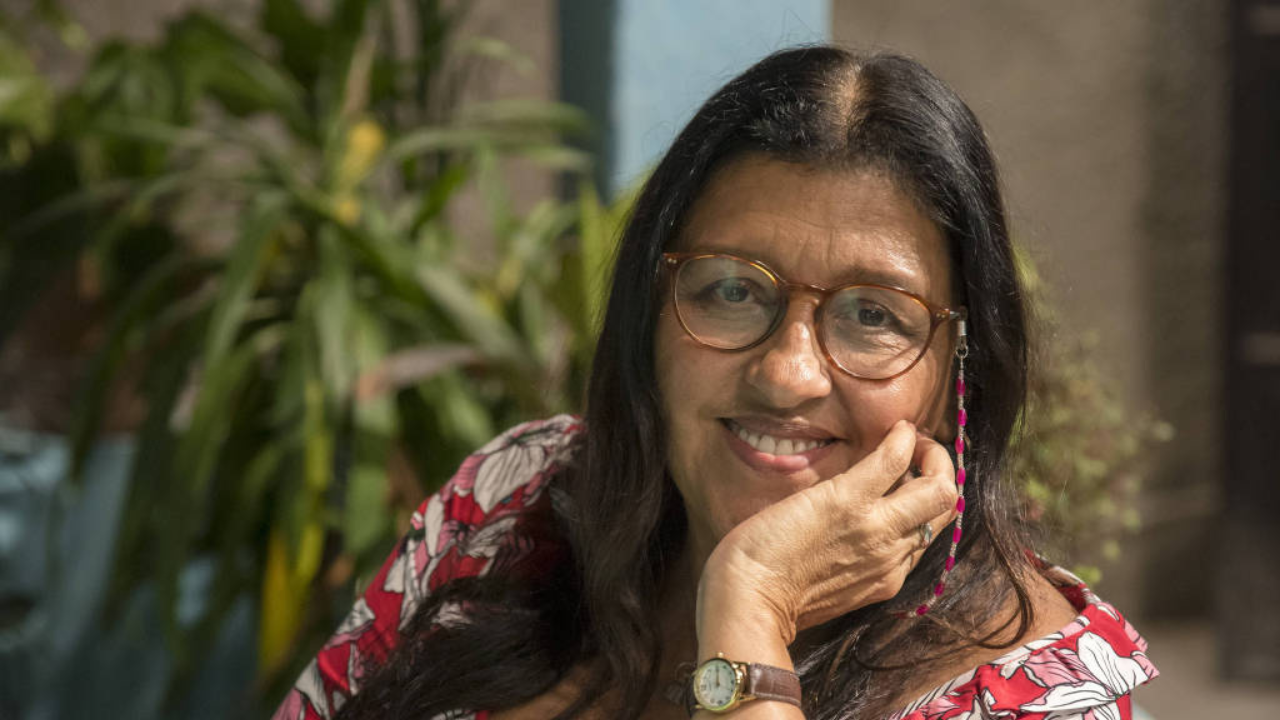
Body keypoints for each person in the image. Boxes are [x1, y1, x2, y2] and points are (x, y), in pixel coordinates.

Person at [271, 46, 1158, 720]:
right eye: (733, 291)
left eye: (874, 314)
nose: (787, 373)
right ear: (650, 314)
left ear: (960, 362)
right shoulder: (515, 500)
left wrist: (752, 608)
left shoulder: (1042, 698)